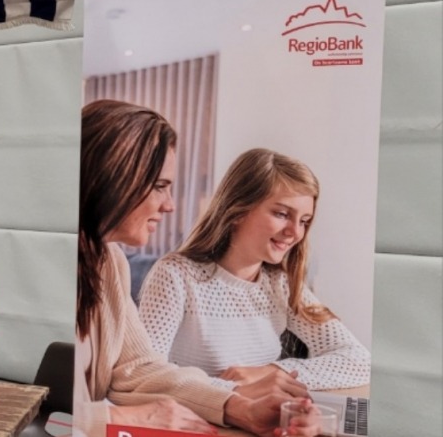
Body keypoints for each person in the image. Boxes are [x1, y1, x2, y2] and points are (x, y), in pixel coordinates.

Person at [74, 100, 301, 437]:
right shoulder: (174, 273)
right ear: (114, 176)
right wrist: (118, 418)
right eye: (160, 186)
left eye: (304, 221)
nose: (170, 205)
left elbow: (136, 368)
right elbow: (44, 404)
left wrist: (236, 407)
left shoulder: (109, 261)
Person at [139, 148, 371, 392]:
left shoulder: (281, 284)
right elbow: (150, 376)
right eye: (282, 214)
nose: (295, 232)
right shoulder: (176, 275)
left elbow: (359, 360)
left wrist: (272, 372)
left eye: (304, 221)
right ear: (237, 211)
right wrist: (240, 390)